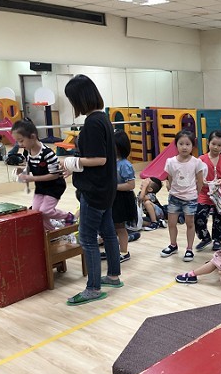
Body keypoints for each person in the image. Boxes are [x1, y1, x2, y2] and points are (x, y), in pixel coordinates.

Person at [61, 74, 122, 306]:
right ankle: (113, 276)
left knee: (87, 238)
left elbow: (99, 159)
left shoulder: (93, 123)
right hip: (105, 188)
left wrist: (72, 162)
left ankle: (93, 288)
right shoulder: (102, 118)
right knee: (108, 232)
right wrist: (75, 167)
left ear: (79, 99)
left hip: (95, 191)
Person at [11, 118, 73, 231]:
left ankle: (67, 216)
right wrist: (23, 171)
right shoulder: (28, 152)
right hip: (41, 187)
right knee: (36, 212)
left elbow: (54, 175)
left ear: (33, 137)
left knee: (45, 211)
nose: (19, 145)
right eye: (17, 142)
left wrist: (32, 178)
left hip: (55, 186)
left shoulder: (47, 153)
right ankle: (51, 233)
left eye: (21, 141)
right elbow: (31, 166)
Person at [160, 129, 204, 262]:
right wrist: (171, 189)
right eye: (181, 144)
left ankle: (189, 249)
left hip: (190, 198)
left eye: (187, 144)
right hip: (174, 197)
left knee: (190, 224)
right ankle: (173, 245)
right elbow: (170, 179)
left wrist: (195, 194)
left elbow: (200, 181)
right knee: (171, 223)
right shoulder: (170, 161)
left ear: (192, 146)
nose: (184, 147)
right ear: (176, 145)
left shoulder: (196, 162)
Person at [195, 130, 221, 252]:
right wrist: (201, 180)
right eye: (213, 144)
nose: (216, 147)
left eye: (219, 145)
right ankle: (205, 237)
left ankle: (217, 239)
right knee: (199, 216)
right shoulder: (201, 159)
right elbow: (195, 175)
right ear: (208, 143)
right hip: (204, 193)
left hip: (220, 194)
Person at [103, 130, 137, 263]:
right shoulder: (108, 161)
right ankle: (111, 250)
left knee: (120, 227)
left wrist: (113, 187)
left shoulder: (125, 165)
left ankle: (124, 252)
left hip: (121, 200)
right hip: (110, 197)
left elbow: (131, 185)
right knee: (109, 226)